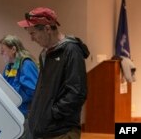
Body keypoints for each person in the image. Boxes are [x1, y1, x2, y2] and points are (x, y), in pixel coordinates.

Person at [17, 7, 90, 139]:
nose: (31, 39)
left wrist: (52, 113)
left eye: (32, 33)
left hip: (60, 132)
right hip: (43, 130)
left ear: (47, 29)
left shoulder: (71, 51)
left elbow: (77, 93)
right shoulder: (45, 54)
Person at [0, 35, 39, 139]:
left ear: (13, 49)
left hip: (25, 115)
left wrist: (14, 98)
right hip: (13, 115)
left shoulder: (26, 64)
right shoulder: (9, 66)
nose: (1, 53)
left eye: (3, 50)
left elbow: (34, 92)